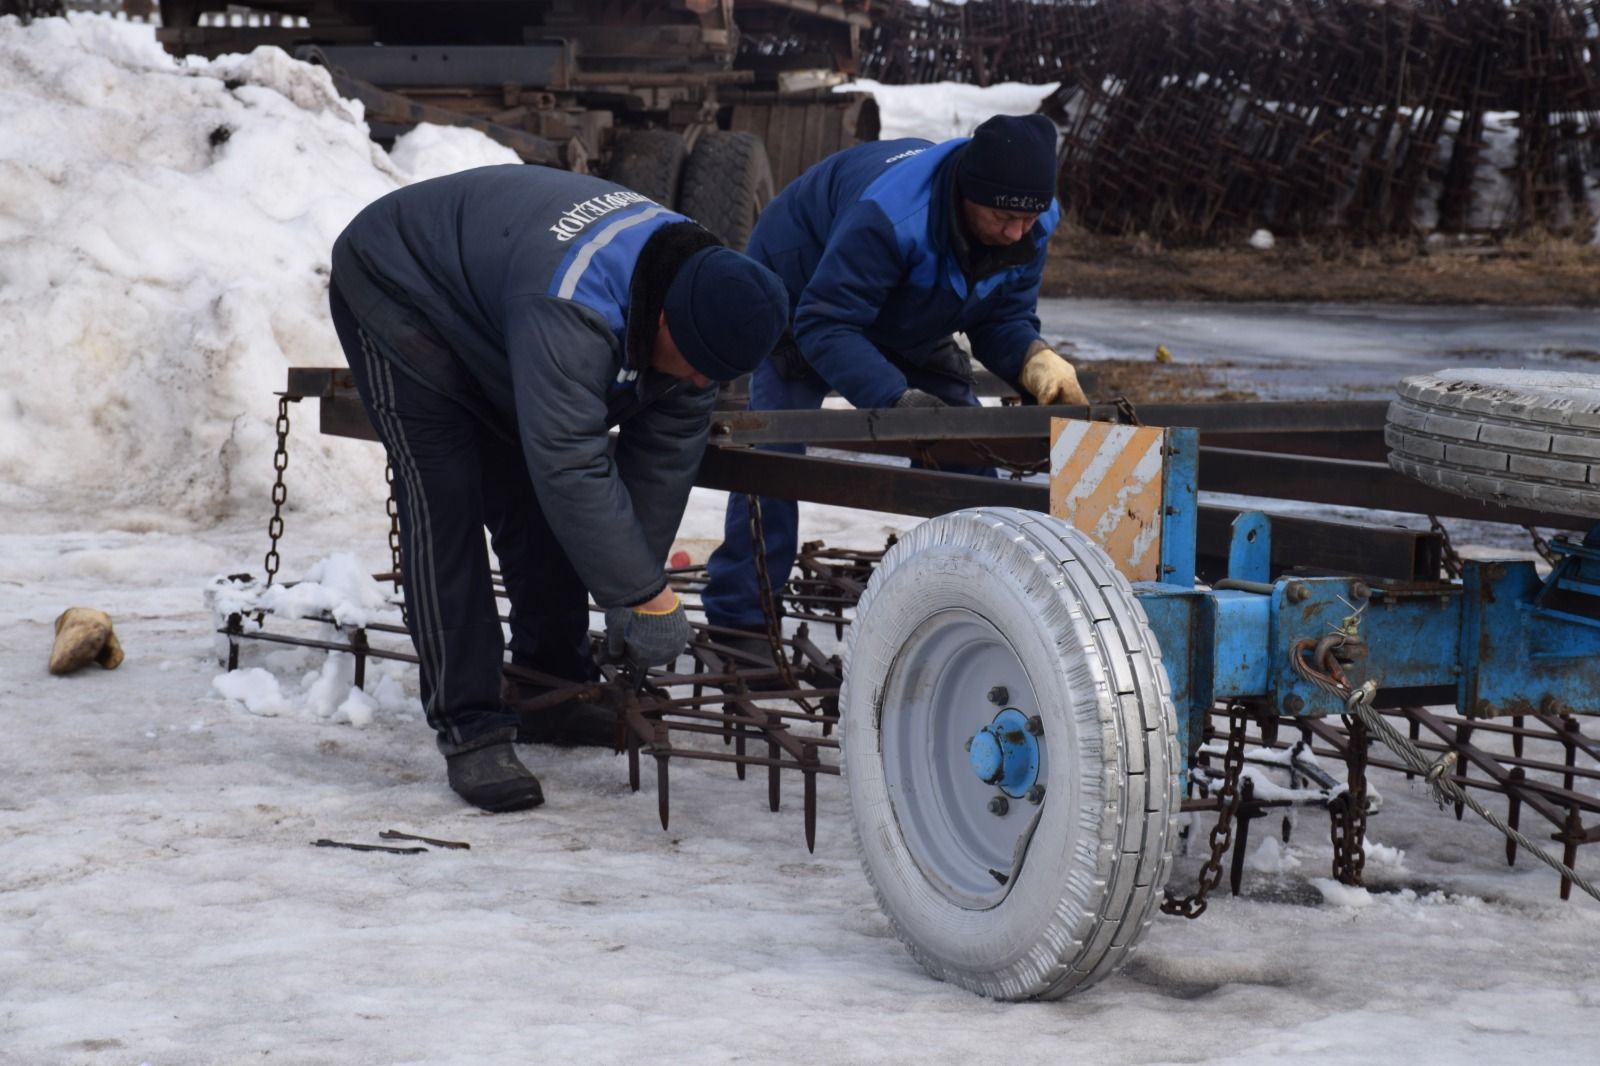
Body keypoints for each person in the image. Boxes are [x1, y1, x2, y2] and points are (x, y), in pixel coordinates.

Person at [328, 164, 789, 813]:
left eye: (712, 375)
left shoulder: (703, 315)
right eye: (693, 364)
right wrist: (641, 592)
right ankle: (471, 726)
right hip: (401, 285)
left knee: (538, 497)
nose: (695, 383)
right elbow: (571, 464)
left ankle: (556, 685)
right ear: (663, 319)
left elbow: (660, 463)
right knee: (445, 495)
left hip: (497, 303)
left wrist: (638, 593)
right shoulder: (576, 306)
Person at [700, 113, 1088, 656]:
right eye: (1002, 218)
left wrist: (1034, 358)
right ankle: (739, 624)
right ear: (968, 195)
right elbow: (825, 322)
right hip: (801, 292)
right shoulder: (890, 216)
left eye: (1028, 220)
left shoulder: (1030, 218)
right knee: (774, 451)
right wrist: (895, 398)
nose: (1016, 234)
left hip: (908, 305)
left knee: (966, 448)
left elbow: (1000, 318)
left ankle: (982, 614)